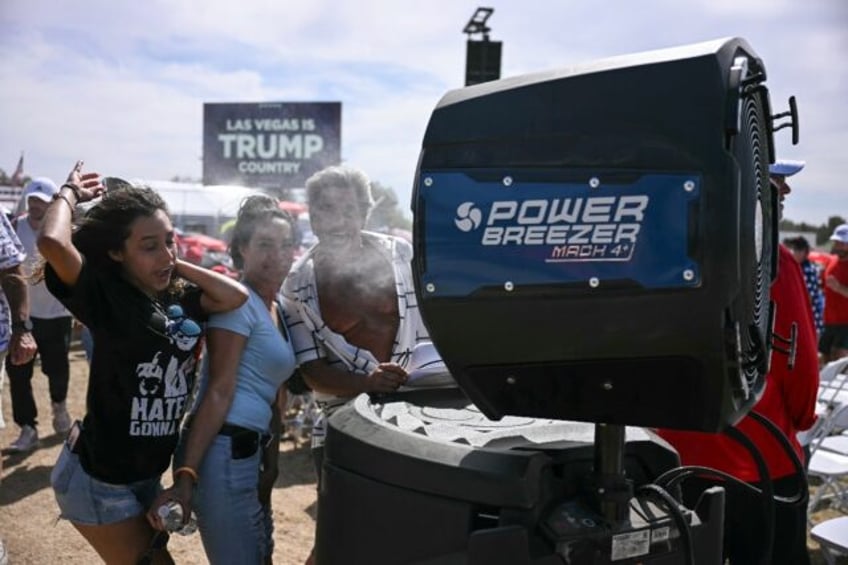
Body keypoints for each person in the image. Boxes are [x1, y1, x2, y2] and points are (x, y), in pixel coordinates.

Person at [41, 162, 248, 565]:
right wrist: (68, 191)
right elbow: (51, 242)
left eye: (170, 240)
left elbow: (235, 296)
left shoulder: (180, 296)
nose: (165, 253)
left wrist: (170, 262)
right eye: (148, 246)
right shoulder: (103, 295)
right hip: (99, 478)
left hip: (147, 476)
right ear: (117, 252)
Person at [658, 158, 819, 564]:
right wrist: (800, 421)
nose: (785, 193)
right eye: (776, 183)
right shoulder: (776, 261)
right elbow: (800, 367)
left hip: (677, 456)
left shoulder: (668, 250)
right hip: (763, 459)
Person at [282, 165, 434, 565]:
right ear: (312, 215)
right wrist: (367, 382)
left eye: (348, 210)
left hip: (420, 412)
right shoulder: (297, 284)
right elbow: (311, 370)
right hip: (343, 420)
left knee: (415, 527)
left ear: (365, 213)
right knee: (340, 532)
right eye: (326, 209)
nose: (337, 220)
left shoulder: (400, 254)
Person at [148, 195, 298, 564]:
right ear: (241, 250)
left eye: (285, 245)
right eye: (264, 244)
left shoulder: (275, 307)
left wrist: (272, 460)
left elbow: (272, 396)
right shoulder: (237, 304)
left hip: (250, 453)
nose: (276, 254)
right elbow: (217, 390)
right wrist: (186, 476)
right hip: (223, 455)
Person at [5, 178, 75, 454]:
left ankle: (59, 407)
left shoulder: (61, 230)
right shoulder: (13, 227)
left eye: (41, 202)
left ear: (51, 204)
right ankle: (28, 428)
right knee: (19, 374)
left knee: (57, 370)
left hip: (56, 314)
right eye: (32, 200)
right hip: (22, 317)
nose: (35, 206)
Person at [782, 234, 825, 337]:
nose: (792, 252)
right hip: (798, 319)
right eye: (792, 248)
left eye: (797, 249)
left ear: (805, 252)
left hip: (807, 320)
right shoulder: (794, 267)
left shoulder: (808, 271)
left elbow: (808, 299)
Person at [819, 222, 848, 363]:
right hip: (829, 320)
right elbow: (823, 287)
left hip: (846, 322)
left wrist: (838, 288)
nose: (837, 246)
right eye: (836, 242)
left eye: (841, 243)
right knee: (825, 358)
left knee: (841, 360)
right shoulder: (832, 261)